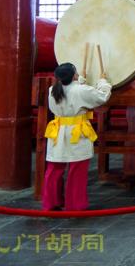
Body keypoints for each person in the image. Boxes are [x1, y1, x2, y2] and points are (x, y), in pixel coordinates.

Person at [42, 62, 111, 211]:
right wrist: (103, 82)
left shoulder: (52, 89)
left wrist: (80, 82)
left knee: (54, 169)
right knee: (77, 170)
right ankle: (75, 205)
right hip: (77, 132)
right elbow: (102, 97)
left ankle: (51, 203)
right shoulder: (81, 90)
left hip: (58, 131)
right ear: (74, 75)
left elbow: (71, 91)